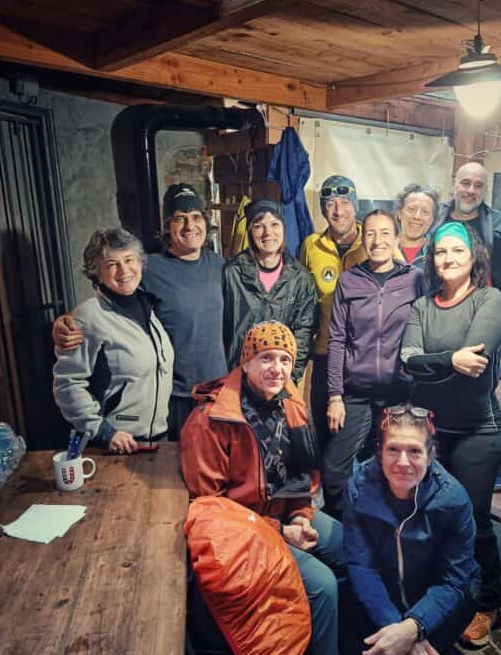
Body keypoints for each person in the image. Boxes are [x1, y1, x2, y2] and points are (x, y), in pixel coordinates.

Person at [180, 321, 368, 655]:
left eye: (285, 359)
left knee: (352, 547)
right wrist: (278, 533)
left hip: (284, 517)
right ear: (245, 361)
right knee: (320, 586)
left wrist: (302, 516)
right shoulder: (210, 420)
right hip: (242, 536)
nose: (277, 367)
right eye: (266, 357)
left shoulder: (292, 405)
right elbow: (211, 514)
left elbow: (304, 477)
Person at [400, 222, 501, 648]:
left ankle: (487, 603)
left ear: (473, 256)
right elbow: (408, 360)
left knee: (474, 520)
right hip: (432, 430)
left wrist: (432, 364)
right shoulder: (423, 306)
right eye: (440, 252)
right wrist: (449, 359)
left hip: (478, 431)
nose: (447, 259)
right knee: (431, 515)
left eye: (456, 252)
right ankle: (446, 594)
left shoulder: (490, 299)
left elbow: (474, 361)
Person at [51, 183, 226, 440]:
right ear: (168, 226)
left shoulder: (221, 266)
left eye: (196, 217)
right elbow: (107, 305)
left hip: (217, 391)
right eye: (179, 218)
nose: (190, 226)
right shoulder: (149, 268)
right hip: (173, 398)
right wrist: (63, 324)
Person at [342, 405, 479, 655]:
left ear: (431, 455)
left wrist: (413, 627)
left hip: (445, 595)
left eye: (414, 451)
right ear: (379, 451)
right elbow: (361, 565)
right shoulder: (359, 486)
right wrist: (399, 630)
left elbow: (454, 581)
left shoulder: (453, 499)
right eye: (393, 449)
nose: (402, 462)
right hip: (388, 591)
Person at [323, 209, 425, 516]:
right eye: (370, 233)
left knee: (388, 468)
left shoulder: (415, 279)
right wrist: (335, 396)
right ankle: (340, 538)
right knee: (333, 470)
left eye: (384, 233)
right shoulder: (348, 281)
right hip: (354, 391)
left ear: (396, 238)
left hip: (397, 394)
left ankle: (384, 532)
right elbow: (337, 339)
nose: (377, 240)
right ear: (362, 238)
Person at [53, 228, 174, 453]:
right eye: (111, 264)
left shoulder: (147, 305)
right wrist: (103, 431)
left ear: (140, 262)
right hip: (115, 444)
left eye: (129, 260)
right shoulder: (88, 316)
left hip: (157, 438)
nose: (124, 270)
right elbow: (67, 384)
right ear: (96, 272)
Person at [300, 175, 367, 447]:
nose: (338, 210)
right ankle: (328, 489)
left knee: (363, 440)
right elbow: (303, 299)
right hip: (326, 355)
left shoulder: (373, 240)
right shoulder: (311, 246)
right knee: (325, 435)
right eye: (330, 204)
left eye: (344, 202)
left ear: (355, 205)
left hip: (364, 357)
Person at [223, 199, 317, 383]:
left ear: (283, 228)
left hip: (279, 379)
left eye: (275, 224)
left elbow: (303, 334)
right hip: (239, 378)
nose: (268, 233)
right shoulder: (232, 273)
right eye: (259, 226)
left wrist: (289, 377)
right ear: (250, 231)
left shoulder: (299, 279)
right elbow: (221, 331)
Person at [438, 162, 501, 333]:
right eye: (465, 183)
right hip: (437, 315)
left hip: (484, 320)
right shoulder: (435, 221)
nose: (470, 190)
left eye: (478, 186)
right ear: (454, 184)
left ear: (485, 190)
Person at [396, 183, 439, 266]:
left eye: (425, 212)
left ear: (432, 220)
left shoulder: (439, 252)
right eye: (411, 209)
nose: (417, 216)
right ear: (399, 213)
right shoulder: (384, 248)